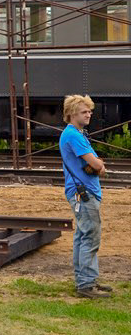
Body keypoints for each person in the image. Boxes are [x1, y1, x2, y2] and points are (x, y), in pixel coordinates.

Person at [59, 94, 111, 298]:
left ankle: (86, 281)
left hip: (83, 192)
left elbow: (94, 162)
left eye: (90, 111)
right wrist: (100, 165)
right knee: (90, 237)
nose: (89, 114)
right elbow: (97, 164)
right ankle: (86, 285)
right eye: (84, 111)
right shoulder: (73, 136)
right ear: (72, 114)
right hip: (84, 193)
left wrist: (97, 164)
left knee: (82, 236)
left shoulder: (77, 134)